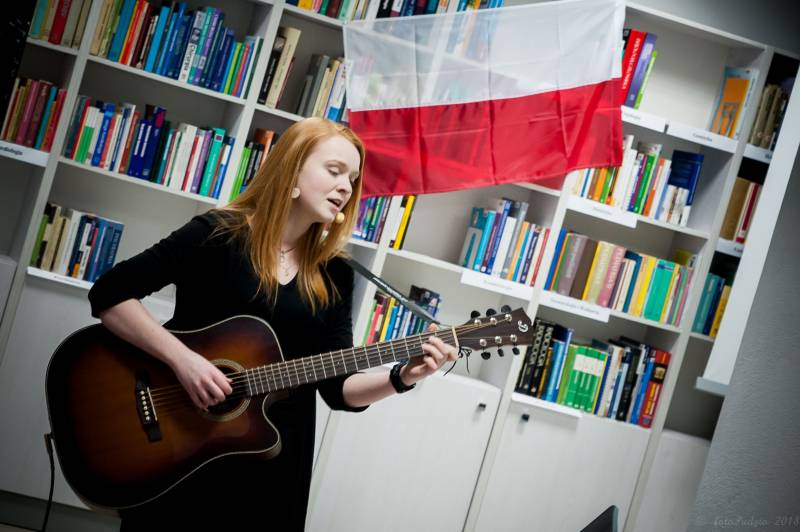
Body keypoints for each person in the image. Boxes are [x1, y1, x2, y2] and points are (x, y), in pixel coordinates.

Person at [87, 117, 458, 530]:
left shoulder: (335, 274)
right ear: (292, 170)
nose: (345, 188)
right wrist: (184, 361)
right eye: (334, 171)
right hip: (183, 443)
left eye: (352, 179)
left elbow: (337, 389)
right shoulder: (216, 235)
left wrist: (402, 377)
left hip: (274, 464)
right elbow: (110, 294)